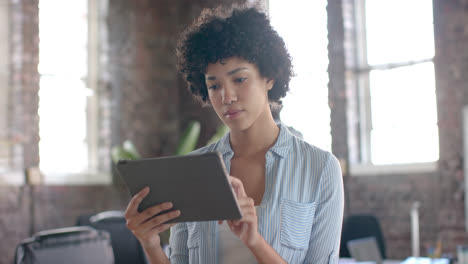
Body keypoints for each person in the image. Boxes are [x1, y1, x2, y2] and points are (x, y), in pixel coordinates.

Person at [124, 4, 344, 264]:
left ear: (269, 77)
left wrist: (255, 241)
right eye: (214, 85)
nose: (226, 97)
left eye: (239, 79)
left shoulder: (320, 169)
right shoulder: (192, 171)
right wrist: (151, 245)